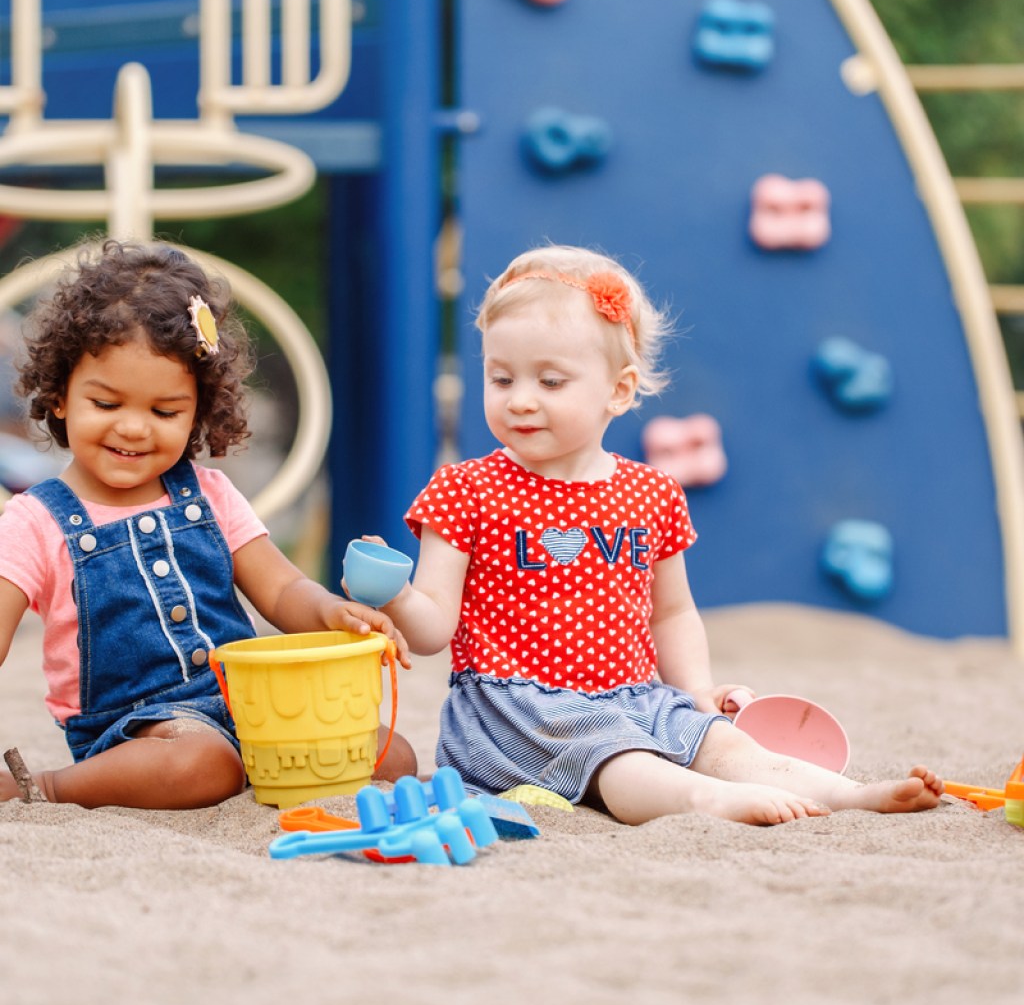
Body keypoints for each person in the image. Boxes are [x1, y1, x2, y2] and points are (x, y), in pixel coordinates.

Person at [363, 244, 943, 826]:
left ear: (618, 389)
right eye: (501, 377)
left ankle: (846, 794)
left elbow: (671, 612)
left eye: (551, 381)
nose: (521, 399)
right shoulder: (466, 489)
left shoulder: (652, 493)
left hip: (637, 697)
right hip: (519, 711)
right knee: (623, 760)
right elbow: (436, 626)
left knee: (722, 742)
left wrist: (695, 690)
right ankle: (703, 800)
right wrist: (393, 592)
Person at [0, 239, 416, 809]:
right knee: (199, 764)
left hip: (249, 705)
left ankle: (259, 766)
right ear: (62, 395)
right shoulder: (35, 519)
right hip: (139, 732)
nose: (134, 429)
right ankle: (48, 787)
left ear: (200, 409)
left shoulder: (210, 495)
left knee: (390, 754)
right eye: (107, 404)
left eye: (164, 411)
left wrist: (328, 612)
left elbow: (280, 587)